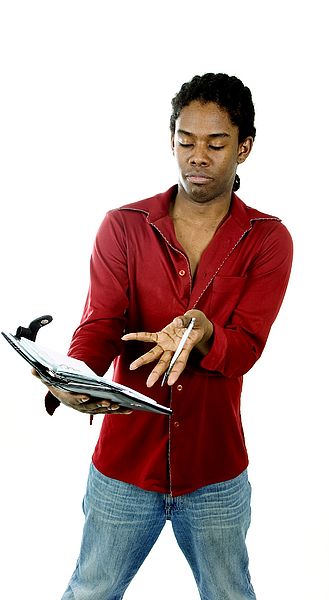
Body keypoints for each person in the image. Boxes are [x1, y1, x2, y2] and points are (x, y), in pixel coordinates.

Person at [37, 72, 293, 600]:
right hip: (123, 469)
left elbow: (245, 347)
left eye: (216, 143)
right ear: (171, 140)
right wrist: (75, 376)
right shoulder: (123, 226)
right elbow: (101, 322)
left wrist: (202, 333)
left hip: (216, 473)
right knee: (90, 591)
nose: (198, 155)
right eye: (186, 140)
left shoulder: (268, 239)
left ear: (244, 148)